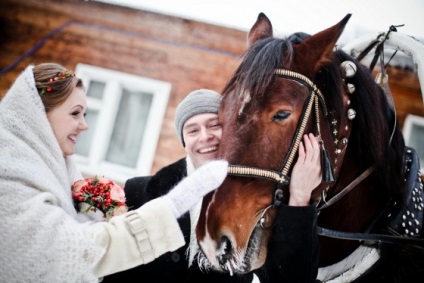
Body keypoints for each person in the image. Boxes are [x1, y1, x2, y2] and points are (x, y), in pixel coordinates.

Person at [0, 63, 230, 283]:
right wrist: (172, 206)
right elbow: (70, 254)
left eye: (214, 125)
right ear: (40, 116)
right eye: (75, 113)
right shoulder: (9, 180)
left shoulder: (53, 171)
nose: (84, 125)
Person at [103, 89, 321, 283]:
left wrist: (300, 198)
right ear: (184, 141)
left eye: (214, 125)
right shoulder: (137, 193)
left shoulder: (258, 202)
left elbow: (291, 278)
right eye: (192, 130)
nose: (205, 137)